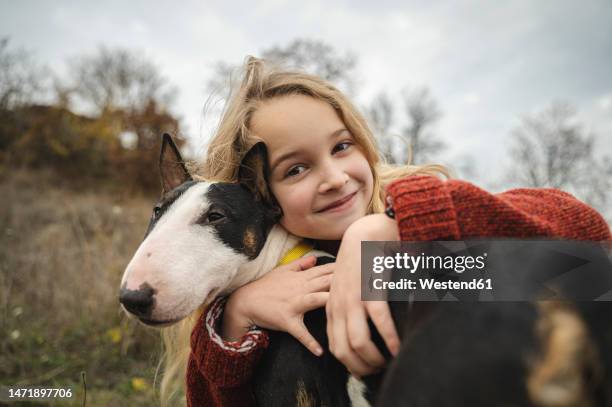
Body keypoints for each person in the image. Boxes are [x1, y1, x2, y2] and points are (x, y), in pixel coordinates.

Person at [157, 56, 612, 407]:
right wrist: (239, 318)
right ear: (258, 195)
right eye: (296, 168)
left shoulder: (419, 210)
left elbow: (588, 244)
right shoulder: (250, 285)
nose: (335, 177)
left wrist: (385, 228)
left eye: (341, 146)